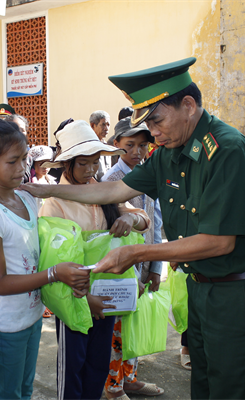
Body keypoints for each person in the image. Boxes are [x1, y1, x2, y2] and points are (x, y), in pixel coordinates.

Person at [23, 57, 245, 400]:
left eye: (157, 121)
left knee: (233, 388)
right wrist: (47, 189)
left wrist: (138, 252)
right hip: (201, 287)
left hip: (240, 293)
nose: (153, 133)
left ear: (188, 106)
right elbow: (115, 190)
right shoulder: (170, 153)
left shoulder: (226, 151)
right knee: (204, 386)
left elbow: (219, 242)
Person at [0, 118, 89, 399]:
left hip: (31, 315)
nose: (22, 169)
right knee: (9, 394)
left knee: (24, 389)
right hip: (6, 325)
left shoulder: (25, 197)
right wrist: (54, 274)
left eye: (24, 159)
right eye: (12, 162)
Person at [38, 120, 151, 400]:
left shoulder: (103, 193)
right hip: (75, 300)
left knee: (98, 365)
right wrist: (83, 298)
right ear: (67, 165)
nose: (90, 171)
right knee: (72, 369)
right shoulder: (54, 204)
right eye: (83, 164)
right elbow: (52, 260)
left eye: (94, 163)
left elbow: (144, 221)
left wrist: (129, 217)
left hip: (107, 299)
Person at [101, 117, 164, 399]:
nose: (137, 151)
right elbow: (110, 235)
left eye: (142, 145)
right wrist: (129, 275)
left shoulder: (149, 173)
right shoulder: (110, 182)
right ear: (116, 146)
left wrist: (155, 267)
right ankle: (113, 387)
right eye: (130, 145)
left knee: (133, 326)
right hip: (123, 268)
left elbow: (156, 223)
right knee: (118, 330)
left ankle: (130, 378)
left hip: (144, 263)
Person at [90, 110, 112, 180]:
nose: (106, 128)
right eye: (103, 124)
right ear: (93, 125)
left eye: (108, 125)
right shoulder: (89, 147)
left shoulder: (107, 146)